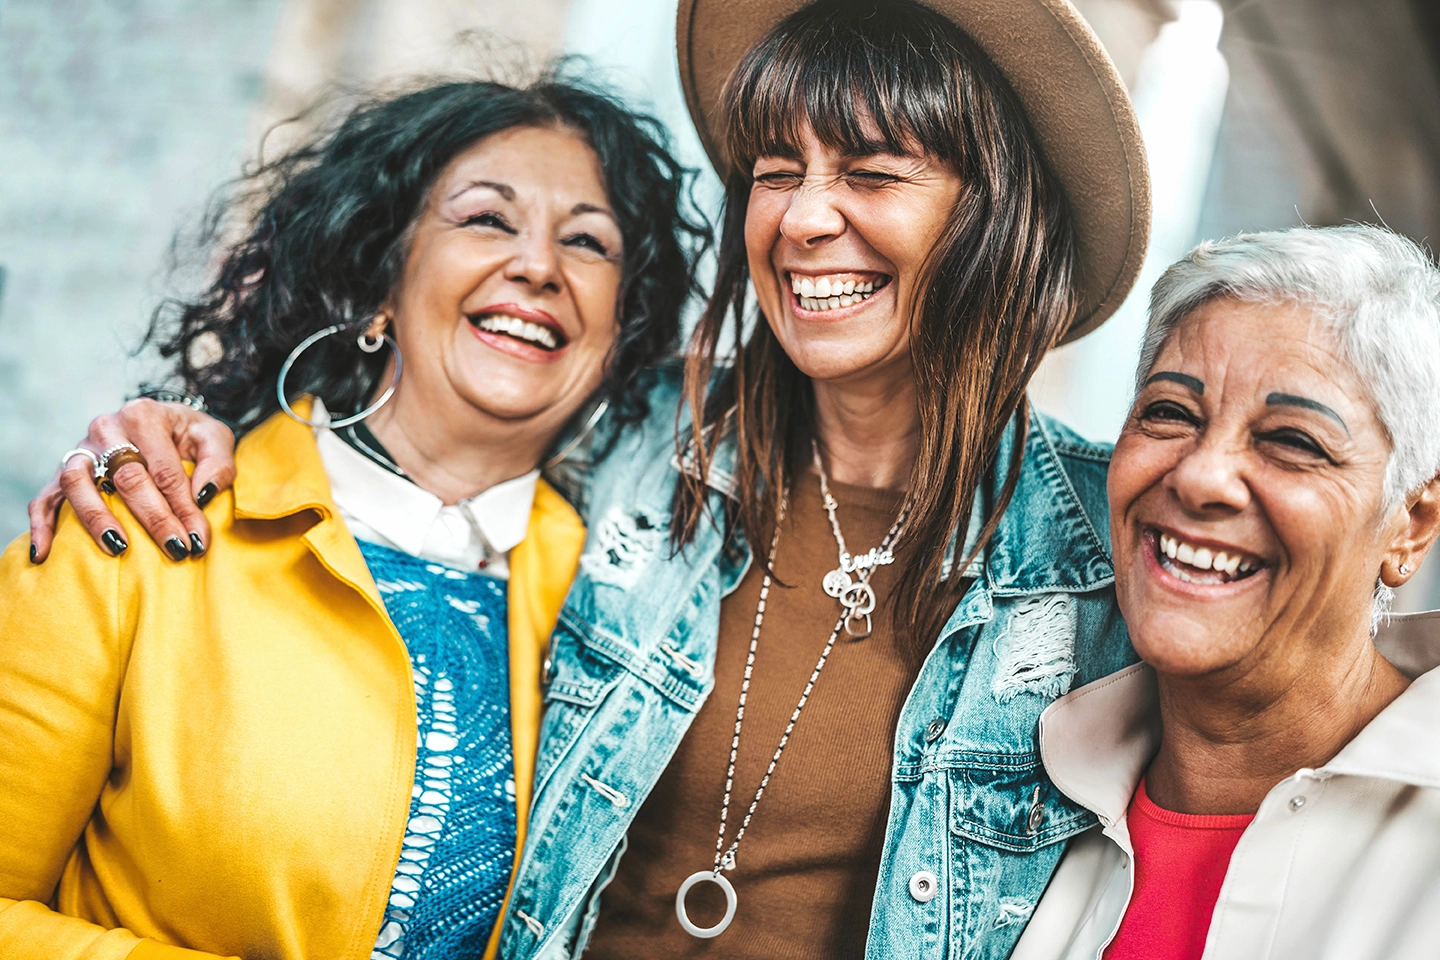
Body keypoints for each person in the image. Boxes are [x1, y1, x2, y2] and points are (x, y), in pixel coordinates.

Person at [30, 1, 1152, 957]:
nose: (807, 220)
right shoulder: (625, 447)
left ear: (1001, 217)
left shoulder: (1109, 565)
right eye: (774, 173)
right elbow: (420, 425)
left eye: (871, 173)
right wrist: (179, 434)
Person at [0, 75, 705, 959]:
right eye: (487, 219)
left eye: (589, 243)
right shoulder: (138, 519)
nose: (539, 266)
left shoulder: (623, 611)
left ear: (619, 335)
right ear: (380, 280)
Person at [1010, 225, 1440, 960]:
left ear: (1411, 524)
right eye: (1170, 413)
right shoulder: (1016, 794)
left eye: (1293, 440)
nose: (1201, 477)